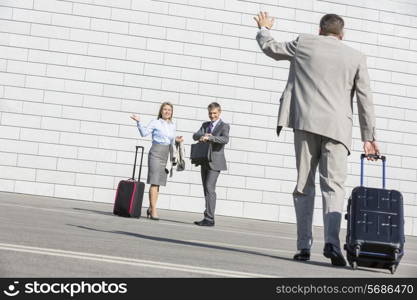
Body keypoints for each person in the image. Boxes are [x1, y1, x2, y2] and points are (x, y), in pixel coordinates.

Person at [254, 12, 379, 266]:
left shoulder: (304, 43)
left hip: (305, 123)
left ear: (320, 30)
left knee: (304, 186)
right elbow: (365, 99)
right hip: (337, 129)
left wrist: (264, 29)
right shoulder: (356, 57)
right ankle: (332, 243)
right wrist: (369, 137)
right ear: (342, 35)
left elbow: (271, 48)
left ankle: (303, 247)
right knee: (333, 187)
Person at [130, 102, 184, 220]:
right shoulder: (155, 122)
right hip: (155, 152)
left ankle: (150, 208)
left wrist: (177, 140)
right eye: (165, 109)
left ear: (171, 112)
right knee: (154, 181)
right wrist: (139, 122)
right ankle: (154, 209)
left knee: (158, 182)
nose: (167, 111)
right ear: (161, 111)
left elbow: (171, 140)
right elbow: (144, 133)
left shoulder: (172, 125)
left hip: (166, 154)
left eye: (169, 110)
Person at [192, 102, 230, 227]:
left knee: (209, 188)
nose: (212, 115)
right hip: (204, 159)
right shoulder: (205, 125)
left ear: (219, 112)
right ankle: (207, 216)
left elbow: (225, 139)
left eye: (214, 113)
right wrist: (203, 136)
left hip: (215, 161)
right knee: (206, 189)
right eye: (210, 113)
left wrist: (211, 138)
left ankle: (209, 218)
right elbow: (195, 135)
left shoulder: (224, 126)